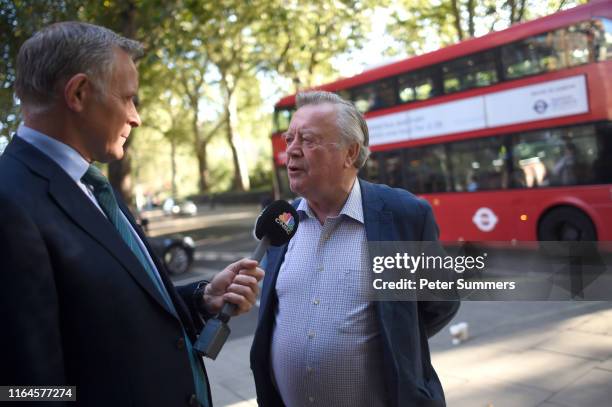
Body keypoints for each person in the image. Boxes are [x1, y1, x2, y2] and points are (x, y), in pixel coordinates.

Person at [0, 22, 263, 407]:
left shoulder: (93, 184)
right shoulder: (9, 203)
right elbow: (23, 392)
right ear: (78, 93)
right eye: (128, 98)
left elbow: (122, 319)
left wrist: (204, 298)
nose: (136, 117)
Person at [250, 91, 459, 406]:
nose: (291, 151)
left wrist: (396, 343)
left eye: (307, 140)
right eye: (289, 138)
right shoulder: (283, 222)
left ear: (350, 153)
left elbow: (440, 302)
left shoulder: (403, 215)